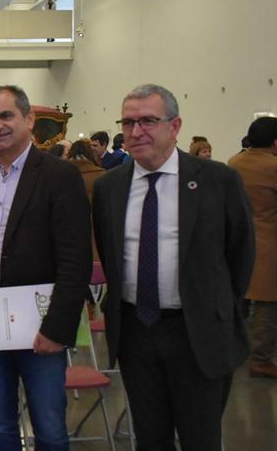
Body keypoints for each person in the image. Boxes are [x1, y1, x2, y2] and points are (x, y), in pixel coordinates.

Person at [92, 84, 255, 450]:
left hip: (197, 333)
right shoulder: (110, 188)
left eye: (148, 121)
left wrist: (219, 307)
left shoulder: (217, 180)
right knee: (150, 437)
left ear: (175, 125)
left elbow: (241, 252)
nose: (136, 132)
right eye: (129, 122)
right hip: (136, 332)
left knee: (201, 437)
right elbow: (110, 253)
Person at [0, 85, 91, 451]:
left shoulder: (59, 175)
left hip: (39, 331)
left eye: (6, 116)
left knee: (49, 429)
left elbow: (74, 259)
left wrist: (57, 328)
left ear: (29, 119)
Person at [228, 116, 277, 378]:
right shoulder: (274, 166)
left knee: (239, 301)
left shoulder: (235, 163)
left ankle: (230, 349)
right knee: (268, 305)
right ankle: (260, 359)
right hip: (269, 244)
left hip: (237, 242)